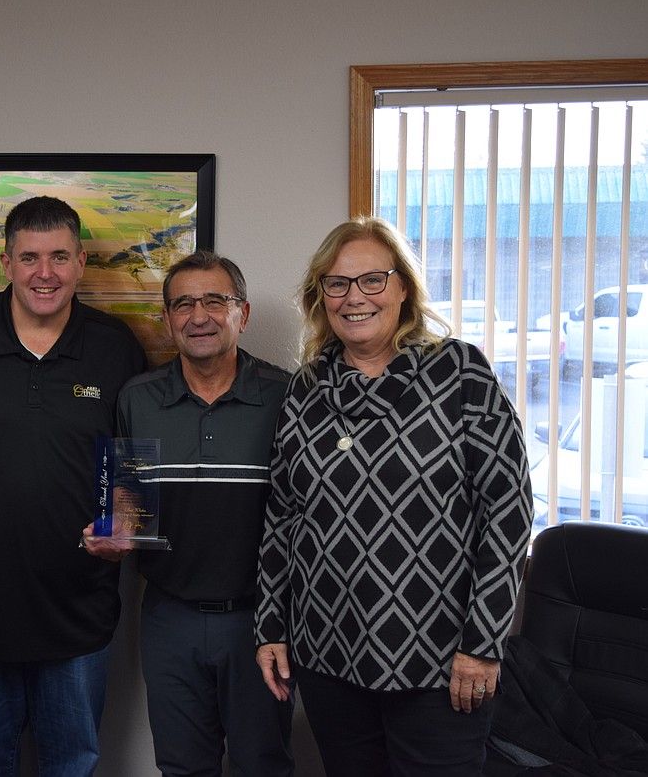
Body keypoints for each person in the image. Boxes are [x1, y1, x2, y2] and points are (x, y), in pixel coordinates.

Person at [255, 216, 533, 776]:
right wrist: (271, 627)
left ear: (403, 287)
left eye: (372, 280)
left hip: (441, 661)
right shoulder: (305, 391)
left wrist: (483, 643)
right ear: (320, 296)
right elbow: (283, 519)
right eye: (337, 283)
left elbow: (508, 512)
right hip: (328, 651)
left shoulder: (459, 373)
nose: (354, 297)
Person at [0, 195, 147, 776]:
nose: (45, 274)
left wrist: (124, 520)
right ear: (6, 262)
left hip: (78, 605)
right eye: (29, 258)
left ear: (81, 263)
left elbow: (129, 460)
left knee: (71, 763)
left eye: (59, 257)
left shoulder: (115, 345)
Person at [85, 250, 295, 777]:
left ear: (242, 314)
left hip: (261, 622)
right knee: (181, 766)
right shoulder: (138, 397)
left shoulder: (287, 395)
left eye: (214, 301)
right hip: (168, 618)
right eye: (183, 304)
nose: (198, 316)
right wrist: (113, 537)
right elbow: (128, 509)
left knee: (263, 764)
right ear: (167, 319)